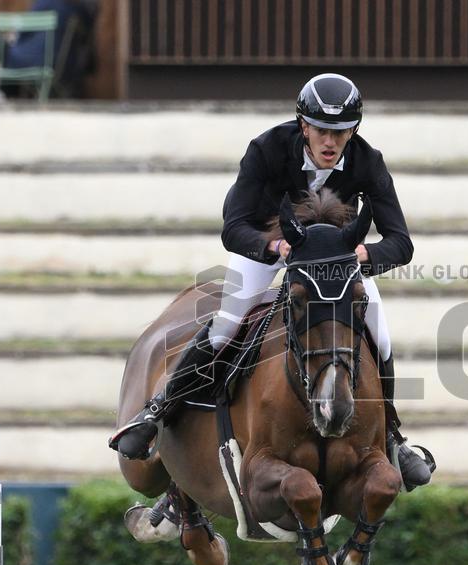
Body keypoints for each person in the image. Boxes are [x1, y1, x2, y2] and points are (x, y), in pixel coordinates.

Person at [109, 73, 435, 490]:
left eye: (340, 131)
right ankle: (158, 411)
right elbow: (233, 227)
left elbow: (400, 242)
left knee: (379, 332)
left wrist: (362, 255)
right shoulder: (265, 149)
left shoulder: (368, 161)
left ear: (354, 129)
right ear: (303, 126)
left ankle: (392, 435)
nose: (330, 142)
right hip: (268, 243)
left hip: (333, 262)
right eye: (320, 130)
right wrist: (277, 250)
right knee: (228, 324)